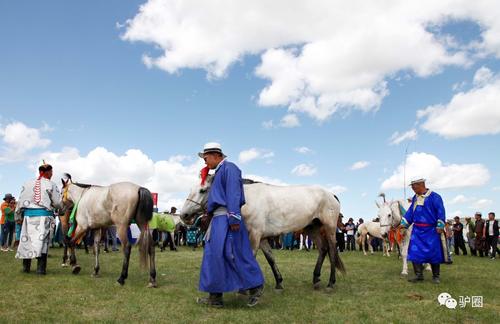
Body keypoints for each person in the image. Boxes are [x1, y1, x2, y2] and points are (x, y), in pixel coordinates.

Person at [195, 143, 264, 308]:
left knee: (234, 253)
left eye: (206, 159)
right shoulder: (218, 172)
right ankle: (215, 297)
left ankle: (255, 287)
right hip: (217, 220)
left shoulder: (230, 168)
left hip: (227, 219)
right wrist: (208, 214)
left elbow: (233, 193)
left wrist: (233, 217)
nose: (205, 163)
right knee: (213, 257)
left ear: (216, 155)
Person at [14, 162, 62, 274]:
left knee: (28, 241)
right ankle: (40, 269)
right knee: (42, 242)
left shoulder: (27, 183)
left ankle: (26, 268)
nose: (52, 174)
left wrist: (18, 217)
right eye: (51, 172)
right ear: (48, 172)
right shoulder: (51, 184)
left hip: (27, 218)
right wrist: (61, 210)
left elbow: (20, 201)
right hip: (43, 218)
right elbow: (58, 202)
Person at [401, 178, 446, 284]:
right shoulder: (415, 198)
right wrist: (404, 225)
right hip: (417, 231)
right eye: (412, 186)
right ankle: (418, 275)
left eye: (414, 186)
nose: (412, 188)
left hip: (431, 230)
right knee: (414, 252)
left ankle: (436, 276)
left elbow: (441, 211)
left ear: (421, 184)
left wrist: (440, 225)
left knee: (433, 253)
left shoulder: (435, 197)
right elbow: (410, 213)